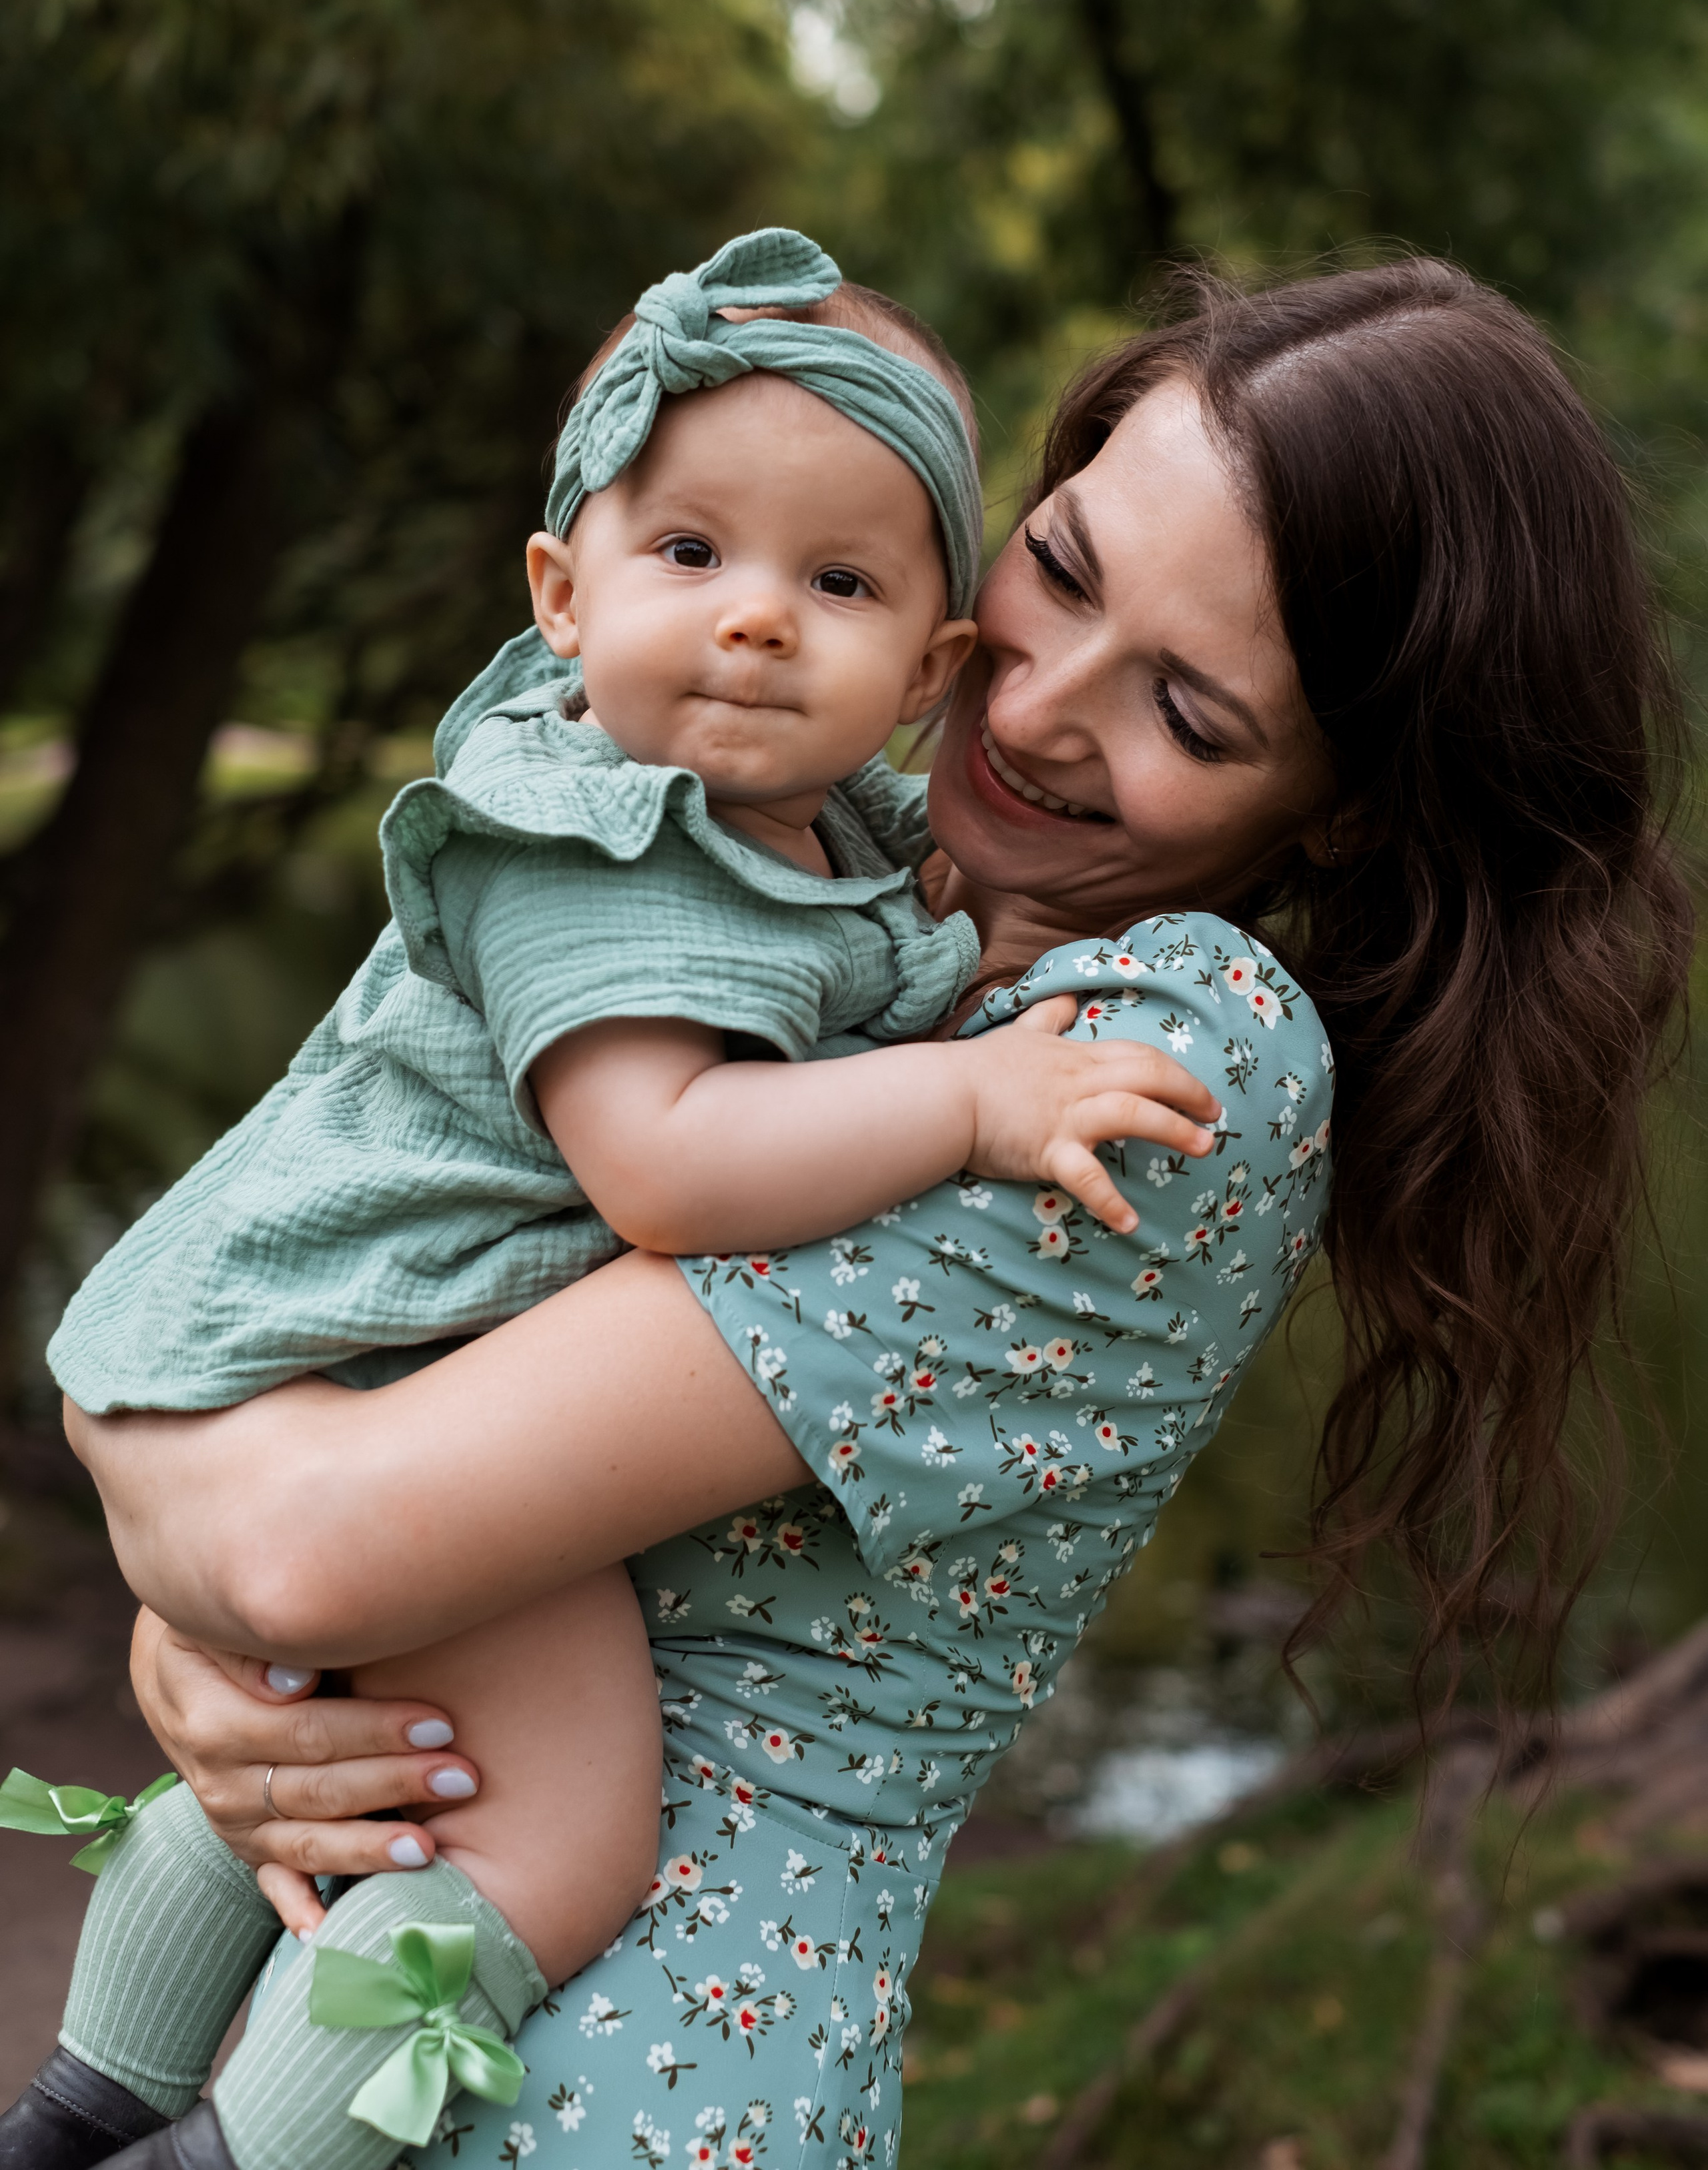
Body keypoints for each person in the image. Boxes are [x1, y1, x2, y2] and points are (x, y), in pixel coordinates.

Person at [49, 259, 1693, 2170]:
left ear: (1345, 810)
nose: (1039, 706)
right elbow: (342, 1332)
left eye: (1187, 708)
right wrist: (210, 1653)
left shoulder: (1171, 1066)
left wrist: (198, 1546)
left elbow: (307, 1546)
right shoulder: (788, 866)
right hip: (378, 1987)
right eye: (1060, 569)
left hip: (639, 2082)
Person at [1, 227, 1218, 2170]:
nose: (756, 623)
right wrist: (975, 1095)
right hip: (369, 1357)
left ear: (924, 669)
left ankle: (86, 2107)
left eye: (835, 583)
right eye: (692, 553)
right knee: (549, 1844)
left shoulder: (800, 839)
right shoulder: (601, 844)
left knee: (321, 1760)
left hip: (354, 1365)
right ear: (562, 595)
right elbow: (666, 1164)